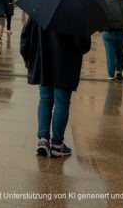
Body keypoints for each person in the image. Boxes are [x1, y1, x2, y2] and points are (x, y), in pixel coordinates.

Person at [21, 18, 91, 157]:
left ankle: (43, 139)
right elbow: (83, 45)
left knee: (45, 100)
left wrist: (28, 59)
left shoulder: (40, 10)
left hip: (43, 63)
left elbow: (25, 36)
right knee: (62, 102)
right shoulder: (74, 14)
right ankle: (57, 144)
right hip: (65, 65)